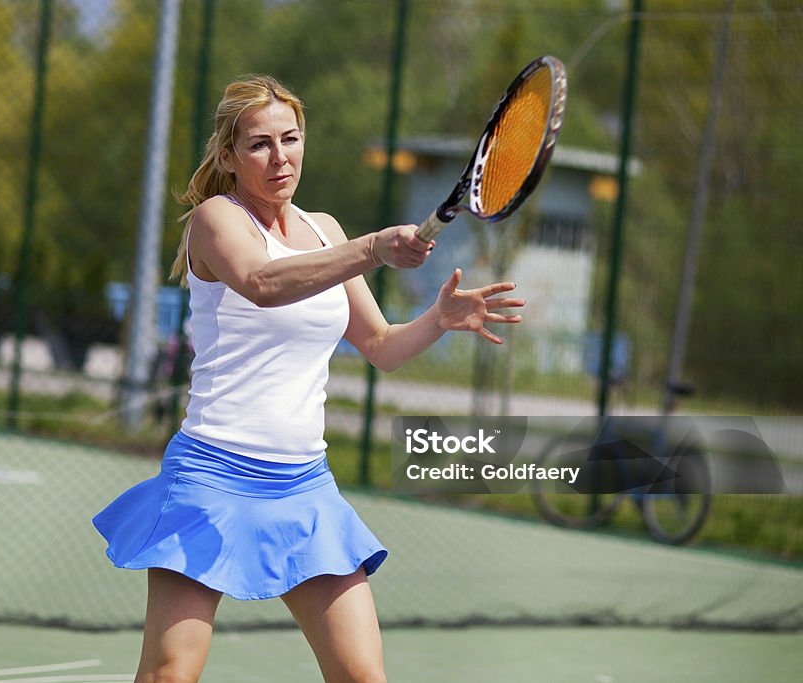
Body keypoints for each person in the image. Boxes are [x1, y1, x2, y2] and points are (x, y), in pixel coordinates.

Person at [93, 75, 524, 683]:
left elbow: (381, 346)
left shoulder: (325, 229)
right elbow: (265, 284)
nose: (280, 157)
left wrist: (438, 319)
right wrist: (374, 247)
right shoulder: (216, 219)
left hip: (304, 486)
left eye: (290, 139)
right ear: (228, 157)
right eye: (260, 145)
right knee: (170, 673)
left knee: (361, 676)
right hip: (213, 475)